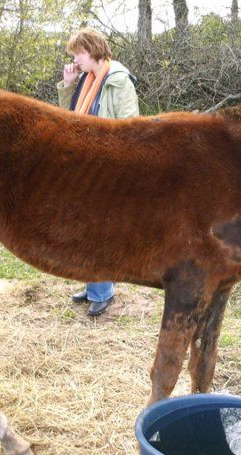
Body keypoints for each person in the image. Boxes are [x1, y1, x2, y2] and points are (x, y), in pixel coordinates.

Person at [57, 27, 139, 316]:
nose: (75, 59)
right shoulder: (86, 80)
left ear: (92, 50)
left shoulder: (118, 80)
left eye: (78, 53)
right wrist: (68, 85)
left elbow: (131, 126)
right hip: (85, 166)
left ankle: (103, 291)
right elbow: (68, 120)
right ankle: (94, 286)